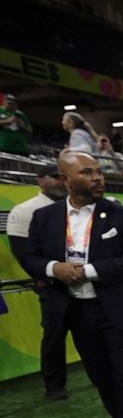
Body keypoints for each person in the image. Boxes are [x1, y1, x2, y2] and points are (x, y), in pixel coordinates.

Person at [22, 150, 123, 418]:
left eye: (98, 171)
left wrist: (88, 270)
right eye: (86, 172)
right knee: (101, 377)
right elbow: (30, 257)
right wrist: (55, 268)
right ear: (65, 181)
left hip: (119, 311)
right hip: (78, 312)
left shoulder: (122, 215)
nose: (97, 177)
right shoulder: (46, 218)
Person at [7, 165, 69, 400]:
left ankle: (99, 375)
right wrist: (43, 278)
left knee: (91, 331)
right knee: (54, 335)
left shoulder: (75, 207)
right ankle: (54, 385)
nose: (59, 182)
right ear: (40, 180)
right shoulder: (25, 211)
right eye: (54, 177)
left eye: (62, 178)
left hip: (82, 280)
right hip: (52, 284)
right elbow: (22, 253)